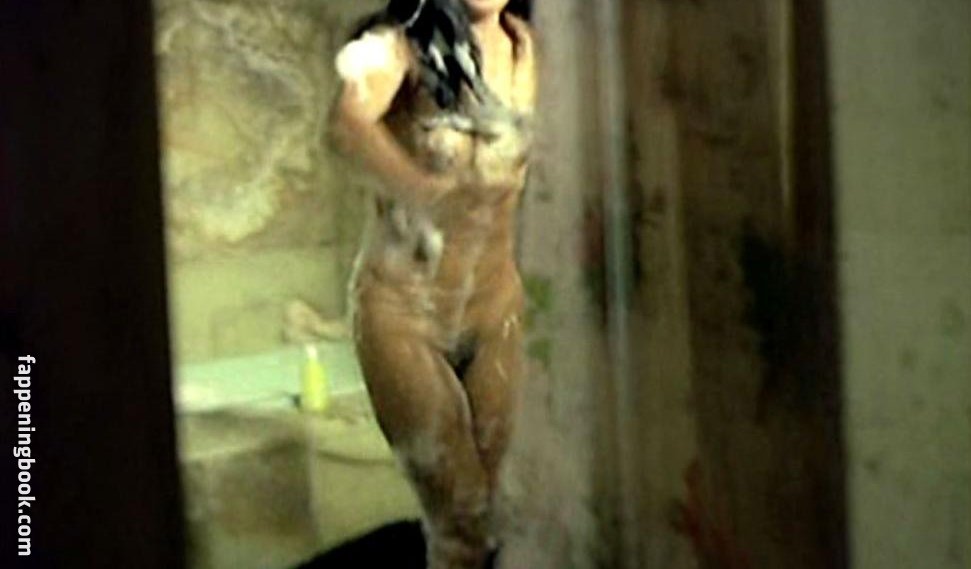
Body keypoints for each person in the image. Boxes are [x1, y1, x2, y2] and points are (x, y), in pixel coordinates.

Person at [329, 1, 535, 567]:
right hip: (403, 315)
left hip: (497, 310)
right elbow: (345, 125)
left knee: (501, 514)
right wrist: (421, 190)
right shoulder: (400, 46)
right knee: (459, 521)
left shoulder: (532, 53)